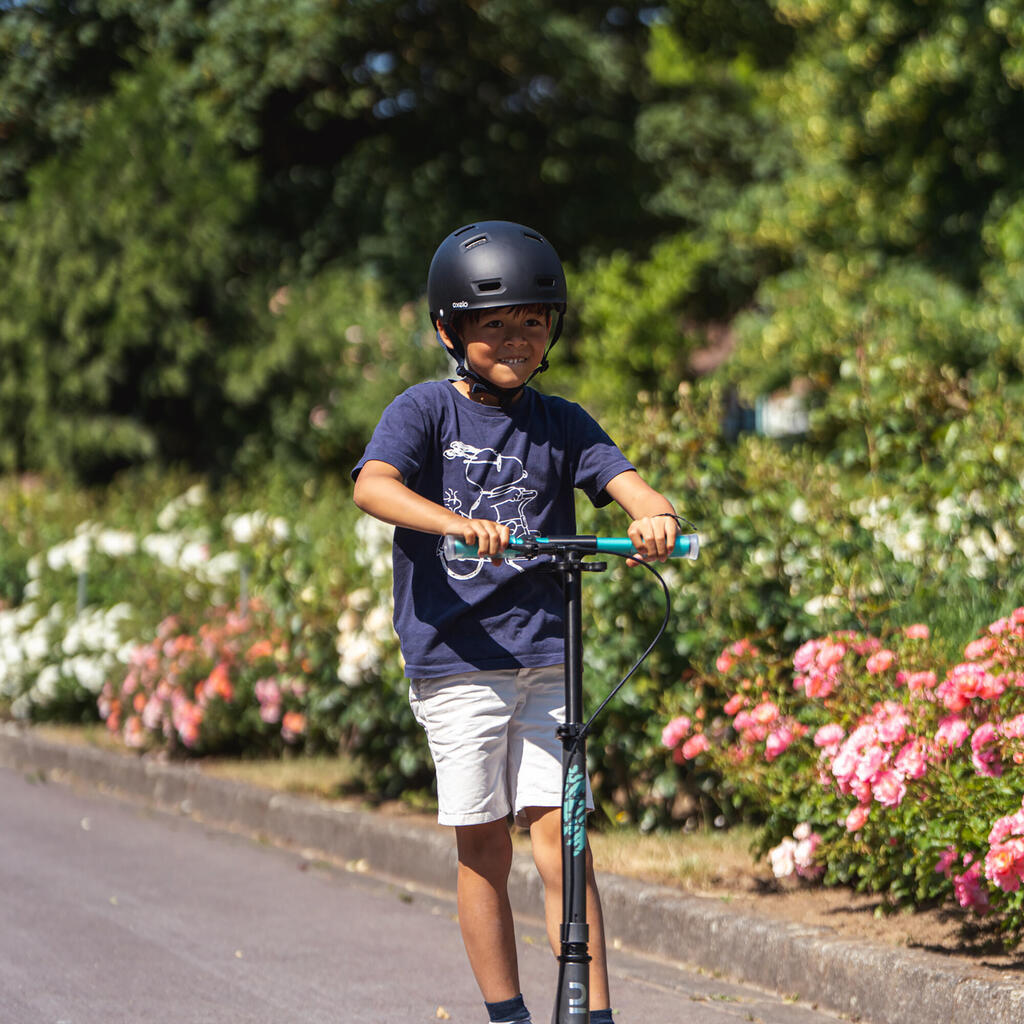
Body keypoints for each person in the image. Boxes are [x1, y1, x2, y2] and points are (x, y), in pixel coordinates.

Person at [352, 220, 680, 1024]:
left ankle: (592, 1015)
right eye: (493, 324)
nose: (516, 339)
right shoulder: (425, 410)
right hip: (457, 661)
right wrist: (456, 523)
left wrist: (653, 514)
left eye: (533, 322)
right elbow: (373, 486)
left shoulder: (560, 422)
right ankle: (509, 1015)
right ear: (451, 330)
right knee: (485, 847)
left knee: (564, 842)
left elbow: (626, 481)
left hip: (545, 659)